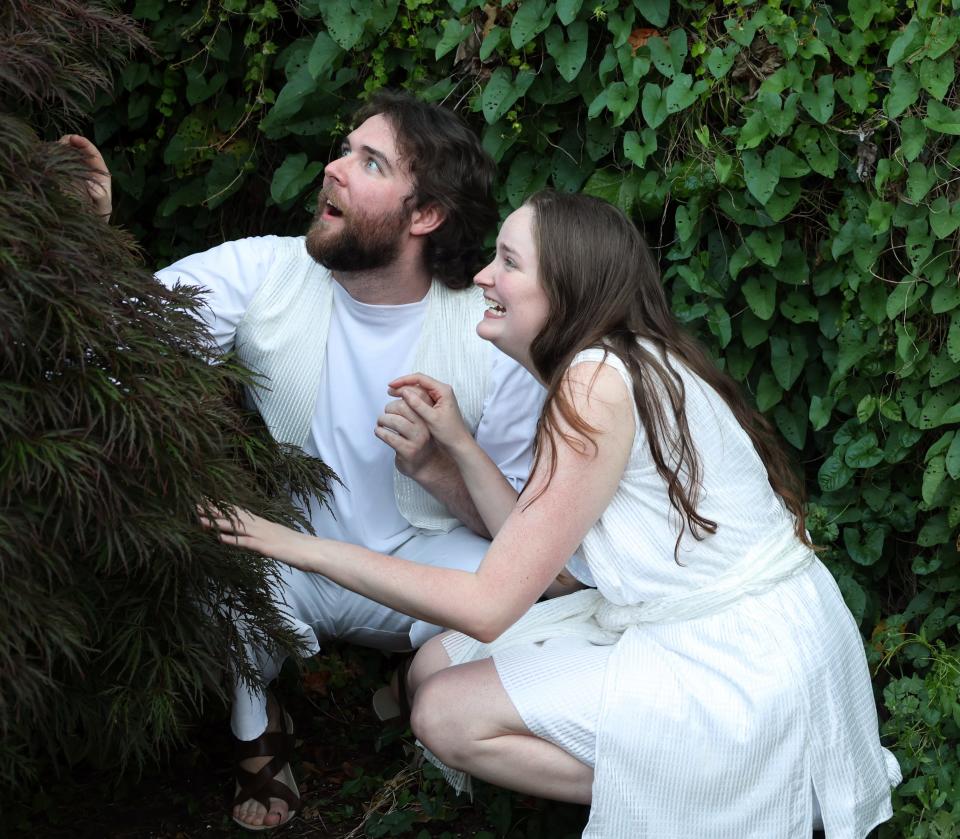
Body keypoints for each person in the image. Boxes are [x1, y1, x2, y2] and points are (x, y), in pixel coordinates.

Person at [205, 190, 901, 837]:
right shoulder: (611, 363)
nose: (482, 275)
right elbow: (556, 569)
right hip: (709, 629)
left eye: (508, 261)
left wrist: (288, 543)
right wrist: (458, 447)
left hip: (736, 660)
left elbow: (489, 603)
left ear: (564, 287)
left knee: (444, 712)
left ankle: (705, 787)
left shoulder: (594, 382)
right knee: (433, 663)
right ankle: (697, 779)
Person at [64, 92, 549, 831]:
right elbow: (121, 358)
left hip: (430, 565)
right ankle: (258, 729)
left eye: (370, 161)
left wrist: (441, 468)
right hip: (298, 555)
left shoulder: (489, 333)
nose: (334, 167)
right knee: (212, 549)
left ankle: (418, 677)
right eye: (345, 148)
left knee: (522, 603)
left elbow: (523, 532)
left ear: (425, 216)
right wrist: (82, 241)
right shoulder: (263, 273)